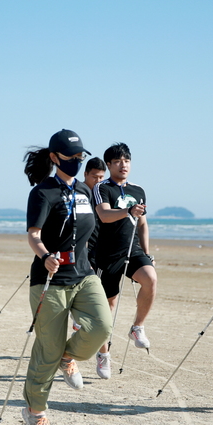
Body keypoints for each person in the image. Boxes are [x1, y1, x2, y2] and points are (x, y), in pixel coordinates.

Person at [19, 129, 112, 425]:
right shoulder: (42, 193)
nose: (76, 161)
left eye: (80, 157)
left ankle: (68, 356)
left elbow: (93, 228)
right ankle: (35, 411)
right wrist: (45, 255)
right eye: (71, 157)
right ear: (55, 158)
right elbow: (34, 234)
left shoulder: (86, 191)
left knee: (102, 326)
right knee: (47, 350)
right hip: (50, 279)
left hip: (84, 274)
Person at [92, 142, 157, 379]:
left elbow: (143, 224)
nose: (123, 165)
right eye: (118, 161)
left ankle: (137, 327)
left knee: (150, 278)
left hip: (134, 250)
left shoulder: (138, 190)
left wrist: (147, 252)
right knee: (107, 309)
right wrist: (128, 212)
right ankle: (103, 354)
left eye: (126, 161)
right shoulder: (102, 188)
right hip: (107, 255)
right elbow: (104, 215)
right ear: (109, 165)